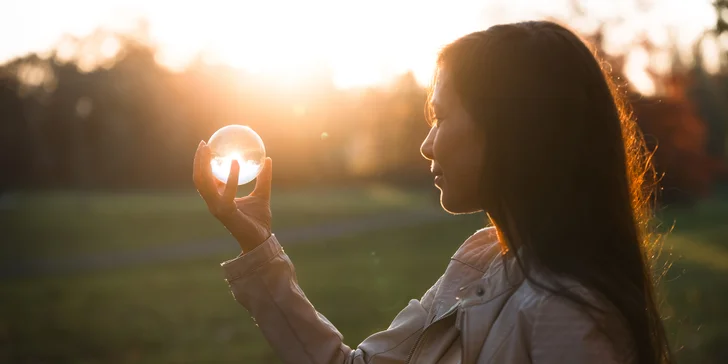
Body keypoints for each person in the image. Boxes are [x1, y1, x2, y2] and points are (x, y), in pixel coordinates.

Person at [193, 20, 671, 364]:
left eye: (441, 118)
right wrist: (256, 246)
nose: (426, 144)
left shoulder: (569, 319)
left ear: (511, 130)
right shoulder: (481, 261)